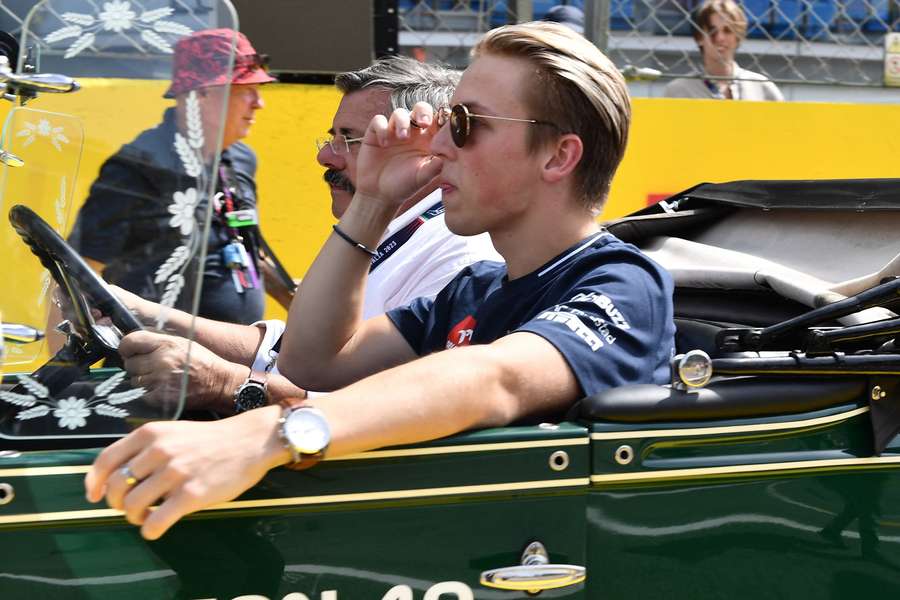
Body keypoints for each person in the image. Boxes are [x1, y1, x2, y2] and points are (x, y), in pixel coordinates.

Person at [85, 22, 676, 541]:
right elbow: (313, 363)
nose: (439, 145)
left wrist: (272, 431)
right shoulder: (476, 288)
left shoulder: (623, 282)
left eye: (465, 124)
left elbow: (493, 379)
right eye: (446, 121)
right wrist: (372, 198)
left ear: (557, 158)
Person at [106, 56, 500, 413]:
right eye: (332, 137)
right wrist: (142, 312)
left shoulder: (459, 257)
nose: (325, 156)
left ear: (425, 147)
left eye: (351, 138)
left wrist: (227, 384)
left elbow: (395, 410)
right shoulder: (403, 231)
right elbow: (287, 351)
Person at [67, 29, 288, 332]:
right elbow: (77, 274)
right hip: (160, 369)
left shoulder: (241, 159)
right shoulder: (139, 167)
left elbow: (245, 249)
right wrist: (70, 366)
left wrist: (297, 303)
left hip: (236, 363)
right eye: (244, 89)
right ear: (199, 95)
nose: (259, 103)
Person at [664, 0, 784, 101]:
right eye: (712, 30)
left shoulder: (761, 87)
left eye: (727, 30)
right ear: (699, 37)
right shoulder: (678, 91)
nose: (720, 38)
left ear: (737, 37)